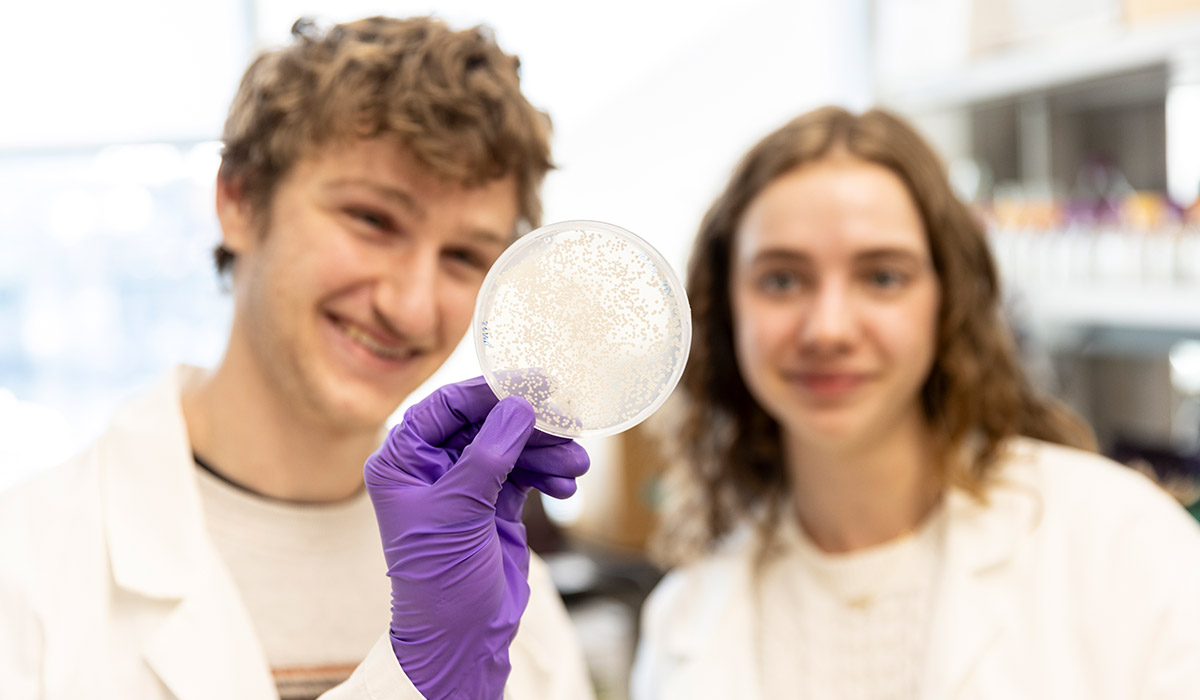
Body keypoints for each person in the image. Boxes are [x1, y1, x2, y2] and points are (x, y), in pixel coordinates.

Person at [0, 15, 594, 700]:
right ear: (240, 200)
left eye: (463, 257)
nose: (409, 305)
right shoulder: (25, 568)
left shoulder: (506, 603)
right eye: (372, 220)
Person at [631, 106, 1200, 699]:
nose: (828, 329)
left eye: (882, 277)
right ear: (726, 311)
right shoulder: (683, 620)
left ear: (947, 300)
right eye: (781, 280)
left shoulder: (1124, 544)